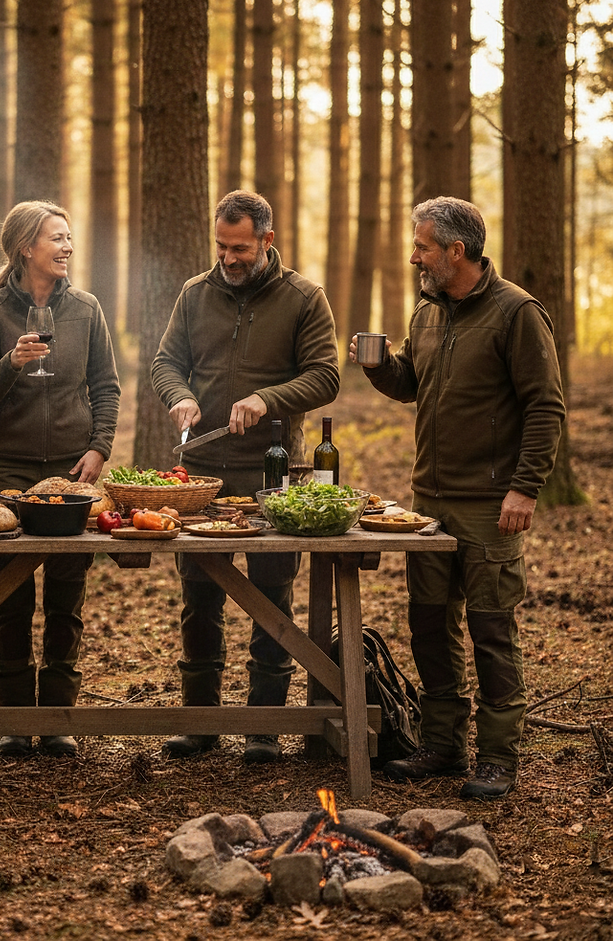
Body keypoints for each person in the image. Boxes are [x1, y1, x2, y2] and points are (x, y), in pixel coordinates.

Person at [350, 196, 565, 800]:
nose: (413, 257)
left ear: (456, 250)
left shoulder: (517, 313)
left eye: (422, 247)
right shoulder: (427, 311)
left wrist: (524, 487)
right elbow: (411, 384)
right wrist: (378, 367)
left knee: (491, 630)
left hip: (490, 504)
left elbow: (545, 407)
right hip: (428, 501)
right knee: (428, 623)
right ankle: (443, 745)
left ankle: (498, 757)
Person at [151, 189, 340, 763]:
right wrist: (179, 396)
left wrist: (267, 399)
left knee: (272, 597)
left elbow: (326, 376)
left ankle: (264, 726)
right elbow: (166, 363)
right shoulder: (194, 293)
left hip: (272, 474)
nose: (229, 259)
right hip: (202, 477)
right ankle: (201, 722)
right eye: (222, 247)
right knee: (199, 596)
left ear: (267, 240)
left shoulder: (304, 297)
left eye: (240, 249)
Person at [0, 201, 120, 757]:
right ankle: (14, 720)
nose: (67, 247)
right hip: (9, 470)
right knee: (10, 597)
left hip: (71, 470)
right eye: (56, 238)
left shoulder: (86, 308)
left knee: (66, 595)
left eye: (69, 237)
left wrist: (98, 448)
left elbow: (106, 386)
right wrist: (12, 363)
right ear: (25, 247)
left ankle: (57, 718)